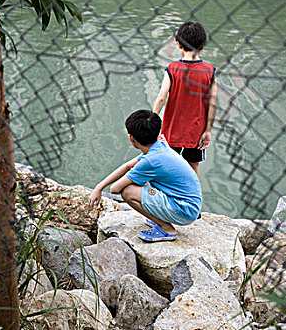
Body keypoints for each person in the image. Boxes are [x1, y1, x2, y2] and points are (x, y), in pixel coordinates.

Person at [90, 109, 202, 242]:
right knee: (141, 180)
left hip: (184, 210)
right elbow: (127, 166)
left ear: (131, 138)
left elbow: (115, 189)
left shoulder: (151, 161)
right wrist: (99, 187)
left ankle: (166, 229)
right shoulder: (159, 145)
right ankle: (160, 216)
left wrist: (101, 189)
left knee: (128, 191)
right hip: (190, 205)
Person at [153, 21, 217, 178]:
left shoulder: (172, 68)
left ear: (179, 44)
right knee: (193, 170)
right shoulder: (210, 71)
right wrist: (208, 131)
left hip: (171, 131)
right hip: (196, 133)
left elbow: (161, 97)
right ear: (202, 45)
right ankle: (194, 200)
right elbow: (212, 103)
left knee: (166, 168)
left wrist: (153, 120)